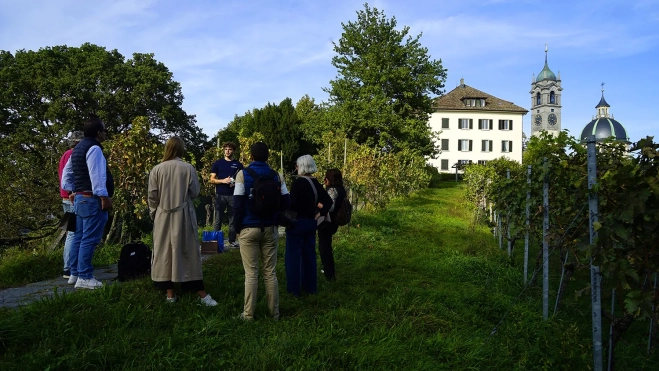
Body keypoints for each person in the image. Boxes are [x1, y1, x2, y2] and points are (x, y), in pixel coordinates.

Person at [148, 136, 217, 306]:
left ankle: (170, 294)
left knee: (165, 252)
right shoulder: (188, 168)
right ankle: (199, 292)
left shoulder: (156, 169)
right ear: (181, 149)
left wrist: (154, 213)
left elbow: (152, 196)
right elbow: (194, 192)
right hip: (183, 214)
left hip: (163, 215)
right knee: (187, 251)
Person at [233, 142, 290, 320]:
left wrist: (237, 228)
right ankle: (275, 313)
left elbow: (237, 204)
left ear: (251, 156)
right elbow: (287, 202)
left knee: (251, 273)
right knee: (270, 272)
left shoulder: (242, 174)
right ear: (268, 157)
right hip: (270, 228)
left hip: (249, 228)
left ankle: (248, 314)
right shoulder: (277, 176)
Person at [61, 116, 114, 290]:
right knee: (90, 239)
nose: (105, 133)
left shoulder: (76, 149)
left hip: (79, 198)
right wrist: (104, 196)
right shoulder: (94, 148)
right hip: (91, 198)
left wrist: (70, 190)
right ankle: (85, 276)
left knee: (78, 236)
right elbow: (97, 175)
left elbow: (67, 175)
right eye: (104, 130)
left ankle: (75, 273)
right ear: (99, 133)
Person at [285, 155, 332, 296]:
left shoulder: (298, 183)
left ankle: (293, 291)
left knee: (293, 257)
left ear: (302, 166)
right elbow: (328, 201)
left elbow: (292, 205)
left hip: (297, 222)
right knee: (309, 256)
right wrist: (319, 214)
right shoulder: (316, 183)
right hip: (311, 223)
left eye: (297, 165)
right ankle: (311, 288)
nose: (296, 168)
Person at [57, 131, 83, 279]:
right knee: (74, 232)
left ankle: (69, 266)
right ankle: (69, 267)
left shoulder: (64, 155)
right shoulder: (73, 155)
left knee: (70, 232)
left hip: (65, 197)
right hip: (71, 196)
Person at [210, 141, 243, 248]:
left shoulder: (238, 165)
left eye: (230, 149)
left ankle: (232, 241)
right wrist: (223, 181)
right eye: (225, 149)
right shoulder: (218, 163)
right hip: (220, 195)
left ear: (233, 151)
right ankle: (215, 242)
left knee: (232, 219)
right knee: (217, 219)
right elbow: (212, 179)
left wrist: (233, 182)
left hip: (233, 195)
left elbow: (242, 180)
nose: (227, 151)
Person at [317, 168, 346, 281]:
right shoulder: (341, 189)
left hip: (327, 222)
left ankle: (329, 273)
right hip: (334, 222)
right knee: (326, 246)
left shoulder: (332, 190)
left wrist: (319, 204)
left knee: (324, 248)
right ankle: (329, 271)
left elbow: (330, 207)